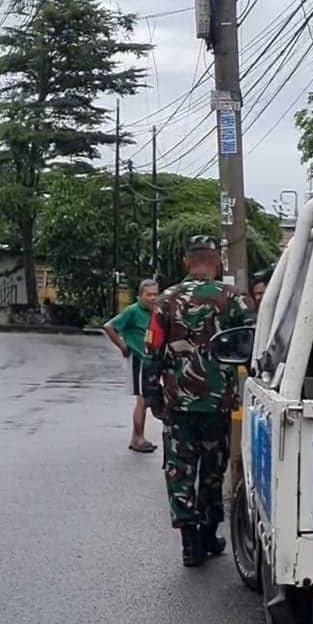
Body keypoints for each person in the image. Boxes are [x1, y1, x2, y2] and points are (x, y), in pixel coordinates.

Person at [148, 236, 255, 567]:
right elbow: (252, 346)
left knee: (179, 470)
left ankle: (190, 544)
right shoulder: (234, 299)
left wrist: (153, 394)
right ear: (217, 263)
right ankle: (209, 534)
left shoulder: (165, 300)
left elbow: (152, 349)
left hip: (177, 403)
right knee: (212, 470)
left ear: (186, 262)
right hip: (217, 402)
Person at [104, 279, 160, 453]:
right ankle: (137, 438)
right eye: (148, 294)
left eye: (155, 294)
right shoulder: (133, 311)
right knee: (142, 399)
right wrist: (122, 346)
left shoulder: (157, 312)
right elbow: (109, 326)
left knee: (148, 399)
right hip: (138, 359)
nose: (152, 298)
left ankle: (138, 437)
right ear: (140, 296)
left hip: (152, 360)